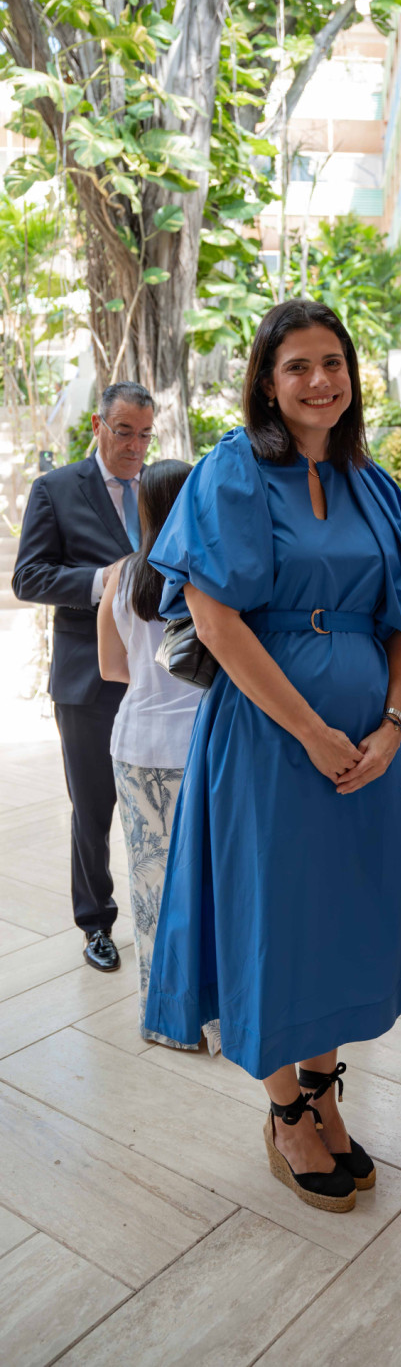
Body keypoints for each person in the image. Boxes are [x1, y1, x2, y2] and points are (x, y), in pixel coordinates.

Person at [144, 299, 401, 1214]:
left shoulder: (374, 482)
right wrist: (311, 730)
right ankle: (284, 1110)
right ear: (267, 385)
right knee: (273, 921)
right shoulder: (232, 472)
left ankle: (322, 1089)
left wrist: (394, 724)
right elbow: (215, 618)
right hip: (272, 744)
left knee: (345, 919)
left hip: (369, 750)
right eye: (297, 366)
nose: (320, 381)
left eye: (333, 362)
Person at [12, 382, 156, 972]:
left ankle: (167, 922)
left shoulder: (161, 488)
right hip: (86, 679)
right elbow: (29, 577)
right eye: (124, 431)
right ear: (98, 424)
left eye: (145, 434)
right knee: (92, 809)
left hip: (158, 678)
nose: (135, 446)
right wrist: (103, 582)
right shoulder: (54, 489)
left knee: (161, 802)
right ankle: (96, 924)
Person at [97, 459, 220, 1054]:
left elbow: (111, 667)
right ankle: (216, 1020)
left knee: (149, 888)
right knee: (207, 884)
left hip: (136, 744)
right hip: (199, 743)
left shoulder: (121, 575)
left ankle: (163, 1020)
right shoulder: (205, 568)